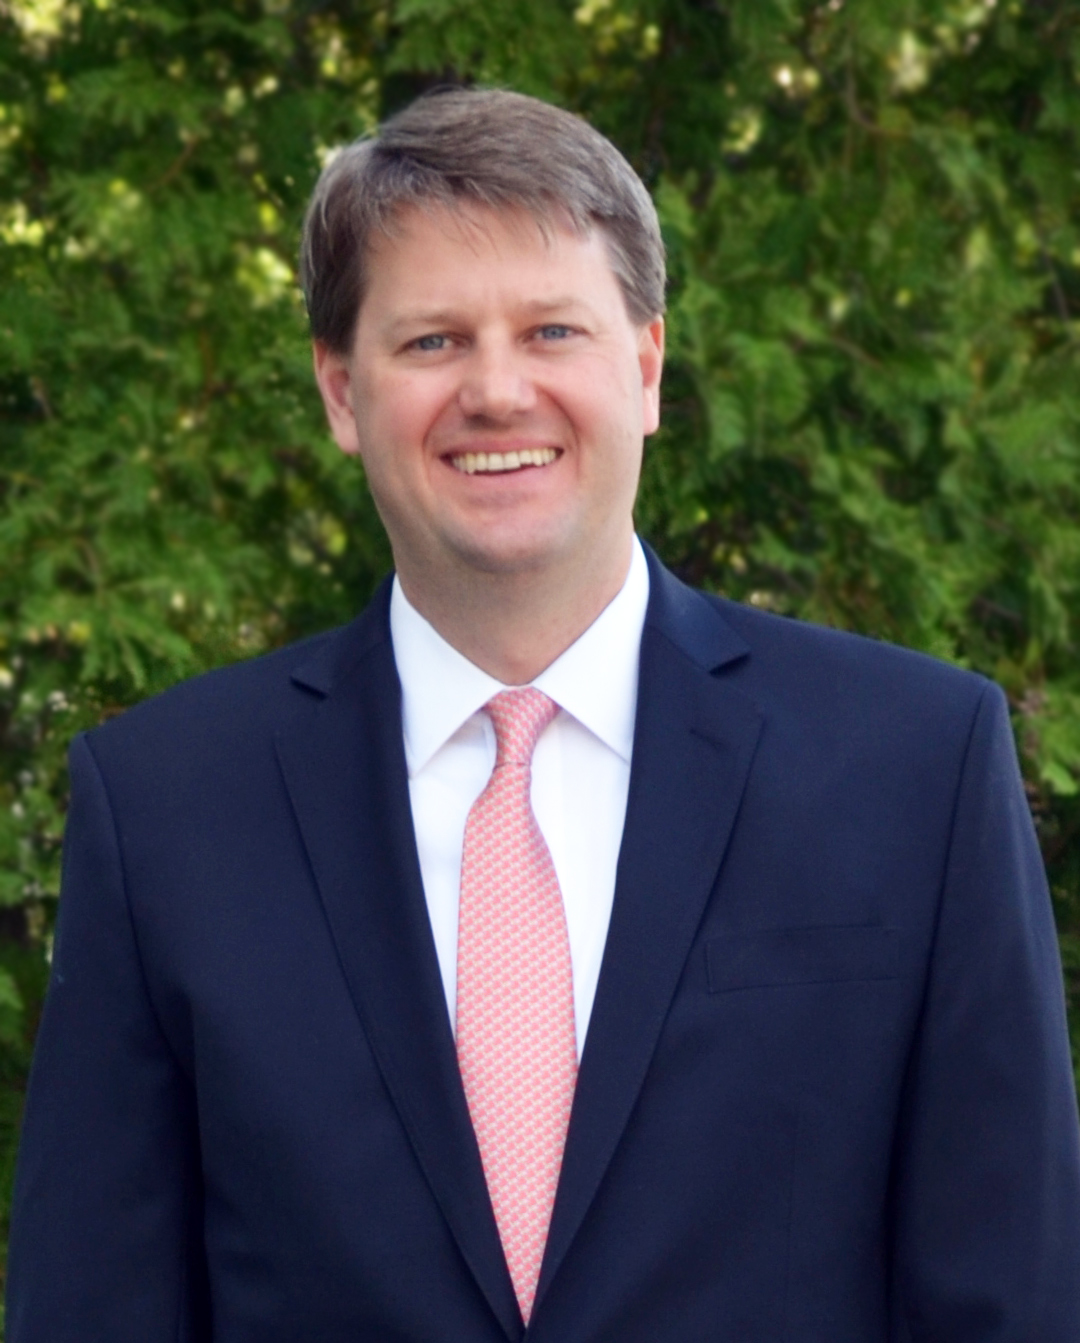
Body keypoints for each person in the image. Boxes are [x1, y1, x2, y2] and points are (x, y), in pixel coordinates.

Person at [7, 87, 1080, 1343]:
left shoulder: (913, 764)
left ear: (647, 367)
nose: (497, 389)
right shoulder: (166, 808)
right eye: (432, 341)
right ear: (341, 392)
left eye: (552, 330)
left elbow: (1012, 1296)